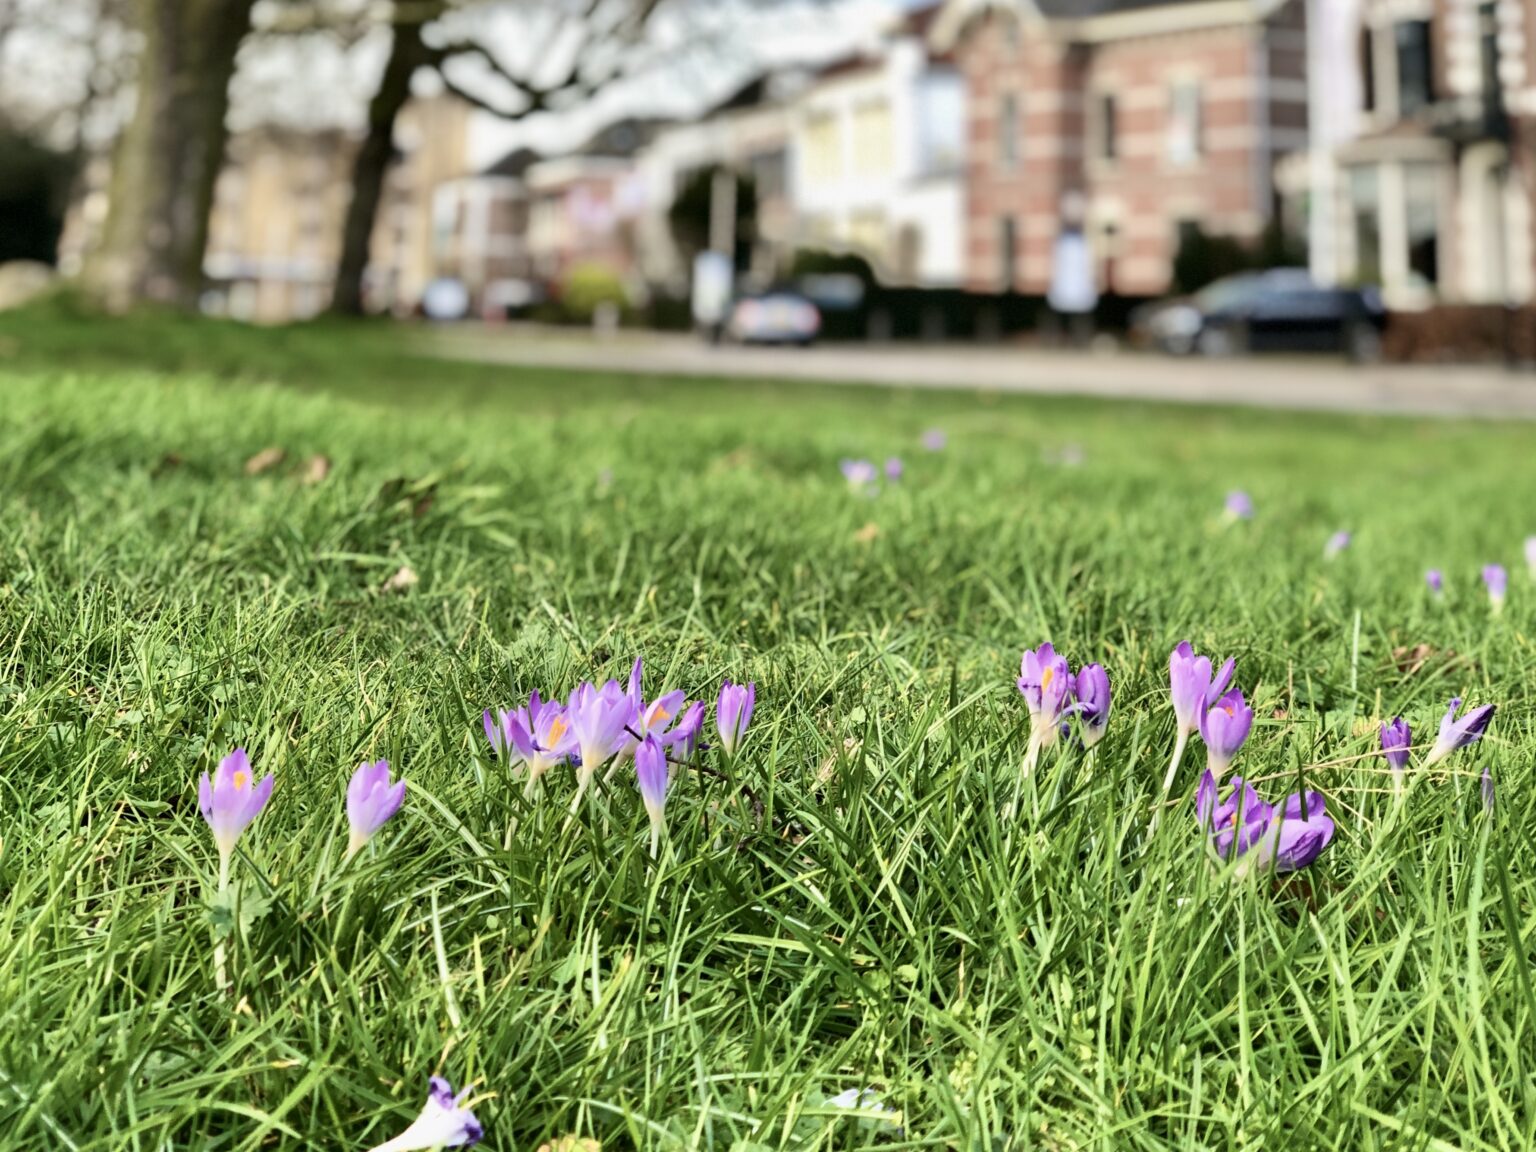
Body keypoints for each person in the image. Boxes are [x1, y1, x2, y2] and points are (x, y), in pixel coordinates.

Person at [1047, 191, 1098, 348]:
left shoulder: (1085, 240)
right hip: (1065, 283)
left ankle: (1081, 342)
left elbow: (1089, 264)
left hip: (1081, 285)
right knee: (1061, 315)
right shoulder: (1061, 240)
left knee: (1081, 316)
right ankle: (1059, 342)